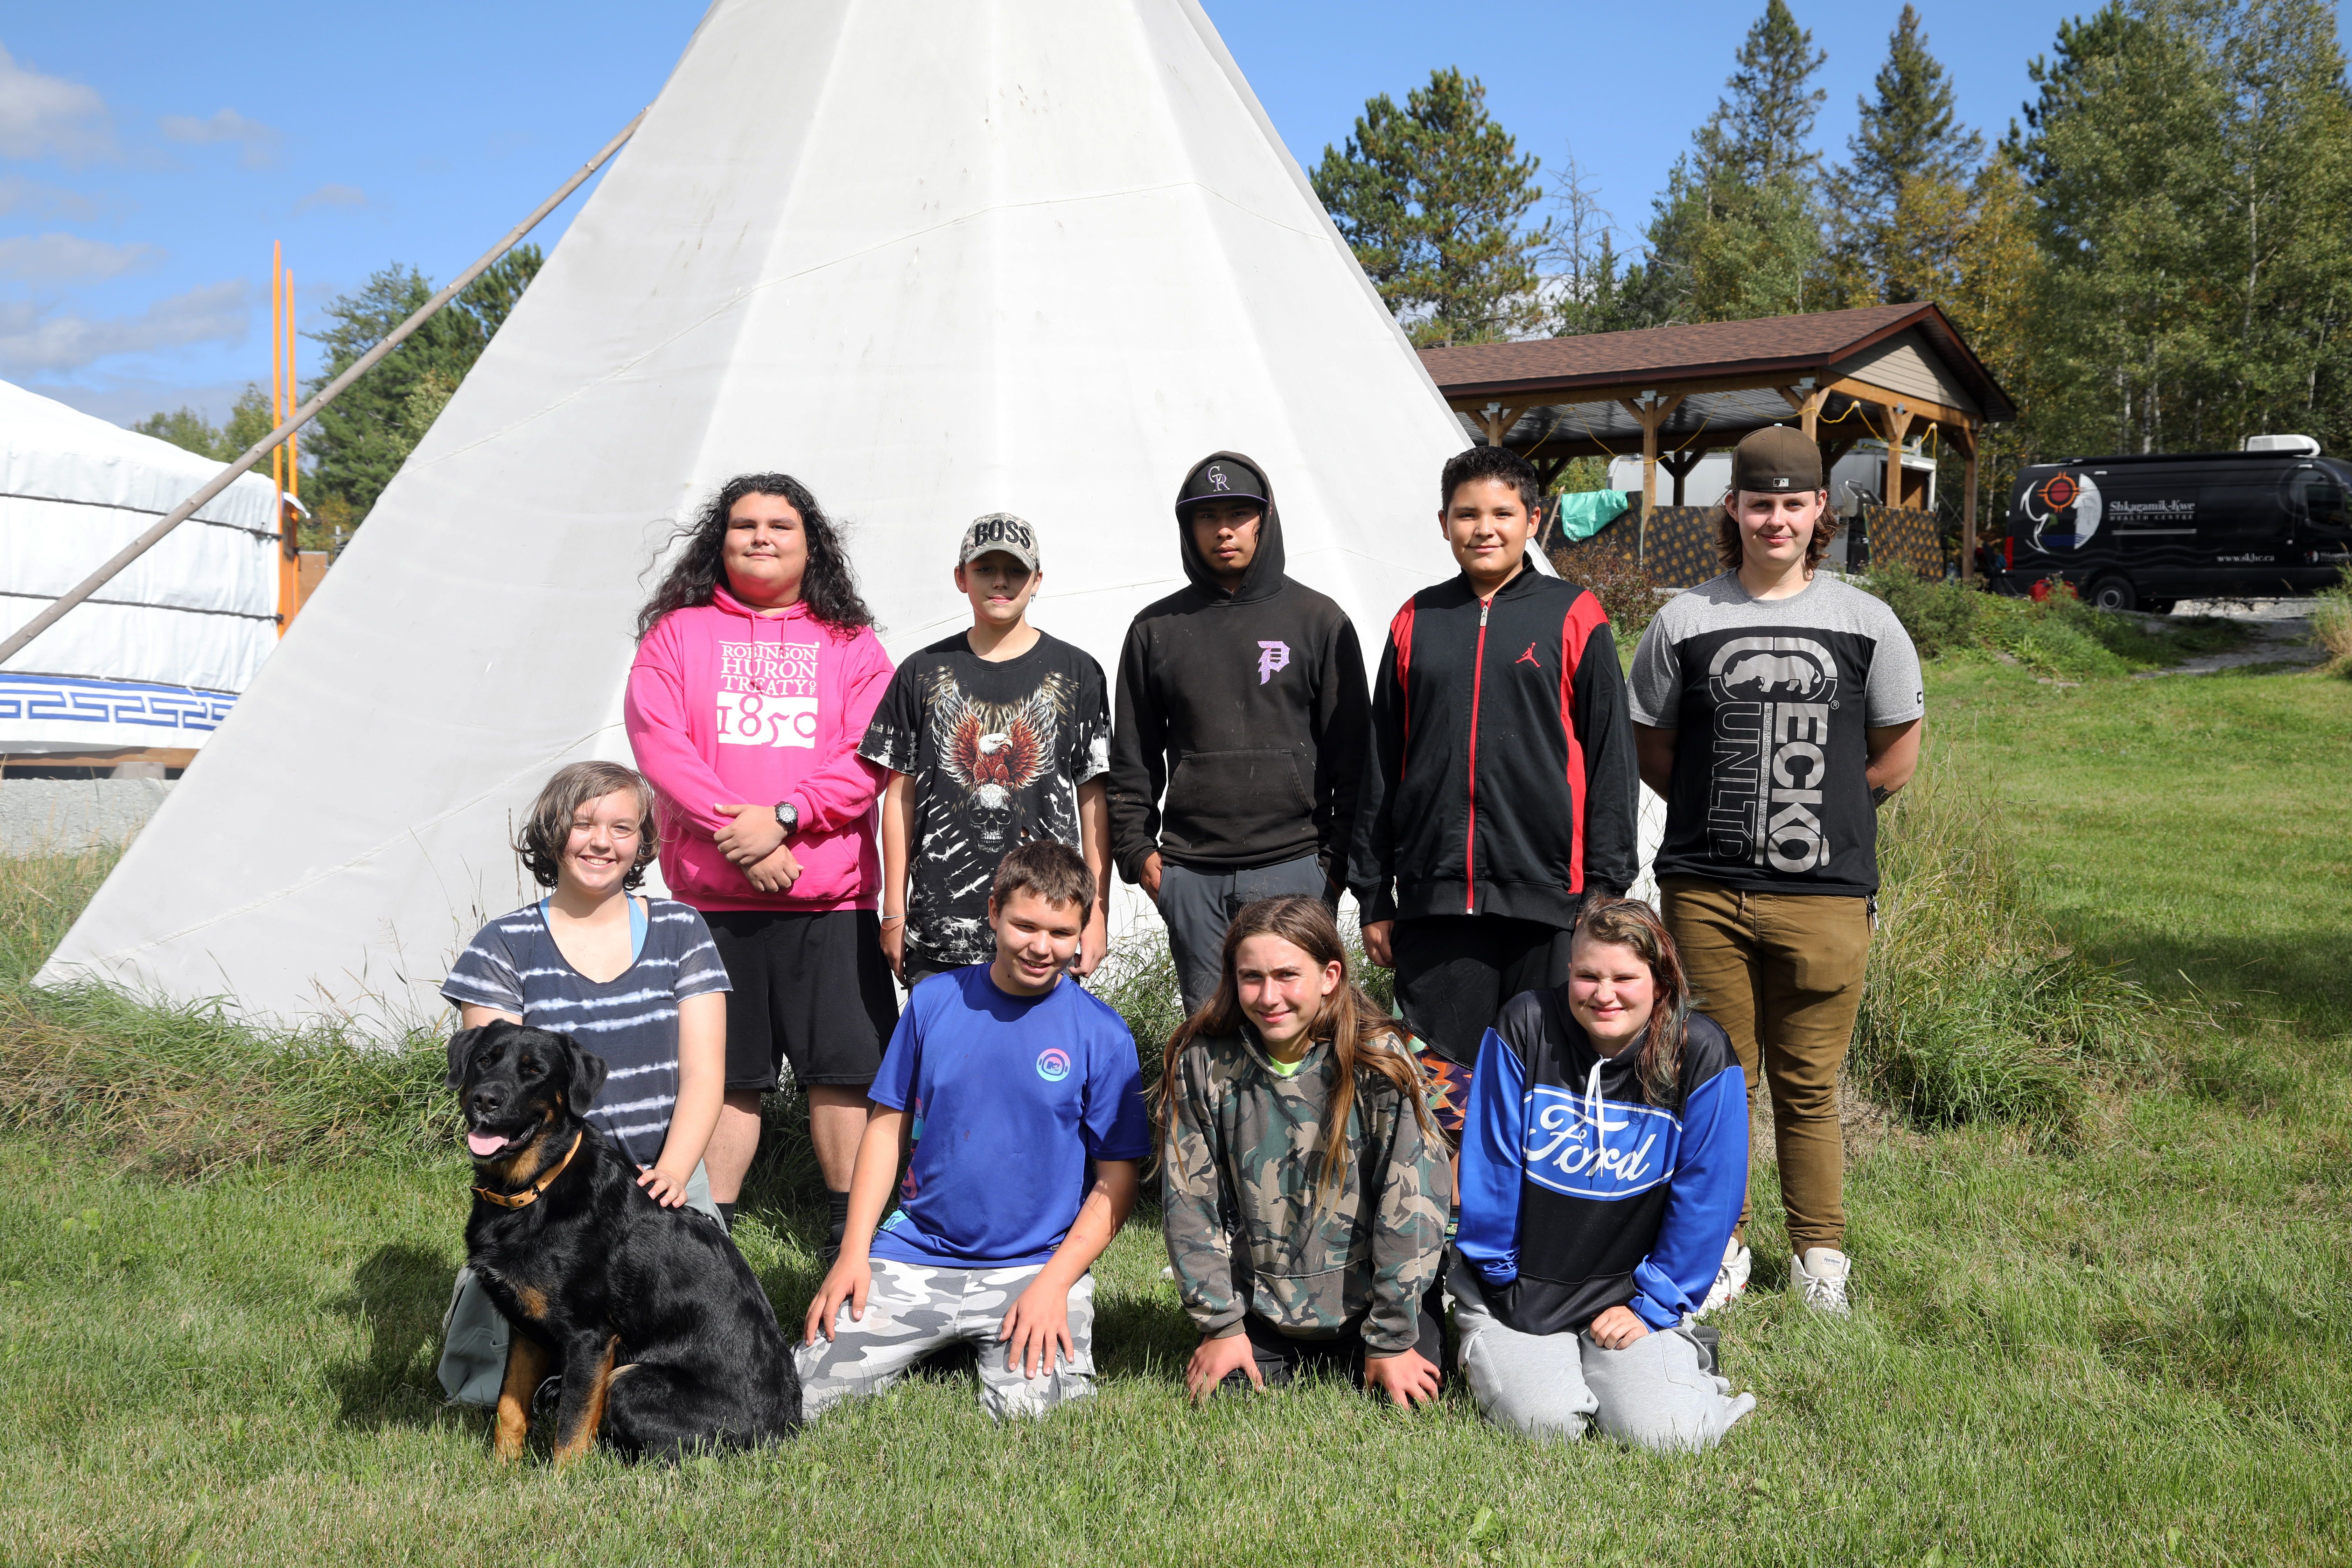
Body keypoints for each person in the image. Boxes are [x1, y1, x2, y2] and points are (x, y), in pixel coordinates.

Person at [1628, 425, 1924, 1315]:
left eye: (1794, 503)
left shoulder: (1867, 621)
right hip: (1705, 890)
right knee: (1718, 1085)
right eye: (1761, 503)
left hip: (1827, 893)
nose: (1777, 519)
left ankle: (1820, 1259)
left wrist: (1827, 815)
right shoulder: (1685, 619)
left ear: (1820, 510)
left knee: (1809, 1083)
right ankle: (1725, 1249)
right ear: (1734, 508)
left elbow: (1895, 757)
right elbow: (1656, 750)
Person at [625, 472, 900, 1251]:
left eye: (781, 525)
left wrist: (783, 819)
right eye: (744, 524)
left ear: (811, 543)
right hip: (714, 904)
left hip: (832, 903)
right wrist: (733, 834)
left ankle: (857, 1243)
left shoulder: (851, 644)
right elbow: (658, 741)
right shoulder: (677, 636)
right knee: (727, 1076)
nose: (760, 537)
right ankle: (708, 1242)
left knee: (845, 1071)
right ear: (721, 540)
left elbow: (873, 752)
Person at [1347, 444, 1639, 1142]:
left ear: (1533, 521)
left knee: (1546, 1071)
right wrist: (1375, 894)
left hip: (1551, 899)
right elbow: (1381, 760)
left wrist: (1604, 888)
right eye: (1467, 513)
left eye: (1503, 513)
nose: (1485, 527)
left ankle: (1540, 1229)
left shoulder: (1575, 614)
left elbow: (1611, 758)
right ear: (1443, 523)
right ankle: (1444, 1232)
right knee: (1440, 1082)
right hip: (1436, 896)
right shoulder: (1416, 620)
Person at [797, 840, 1148, 1421]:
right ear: (993, 913)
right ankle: (936, 1332)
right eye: (1025, 926)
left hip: (1034, 1264)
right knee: (803, 1395)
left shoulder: (1103, 1035)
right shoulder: (934, 1001)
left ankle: (983, 1336)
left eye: (1062, 933)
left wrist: (1055, 1284)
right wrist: (853, 1253)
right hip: (917, 1252)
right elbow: (886, 1130)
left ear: (1083, 931)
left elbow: (1118, 1179)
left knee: (1040, 1420)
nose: (1041, 947)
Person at [435, 761, 731, 1405]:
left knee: (697, 1345)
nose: (602, 842)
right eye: (584, 823)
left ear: (643, 843)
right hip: (543, 1195)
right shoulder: (503, 944)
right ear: (551, 833)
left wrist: (677, 1171)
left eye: (622, 828)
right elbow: (493, 1088)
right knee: (481, 1391)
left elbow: (707, 1073)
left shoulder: (682, 931)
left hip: (659, 1185)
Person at [1451, 898, 1754, 1451]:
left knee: (1671, 1437)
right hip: (1518, 1287)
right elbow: (1490, 1166)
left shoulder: (1702, 1052)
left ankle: (1675, 1357)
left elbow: (1709, 1196)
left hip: (1628, 1290)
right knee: (1545, 1426)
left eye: (1624, 977)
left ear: (1660, 982)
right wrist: (1500, 1277)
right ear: (1569, 970)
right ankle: (1505, 1346)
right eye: (1588, 974)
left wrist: (1654, 1305)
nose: (1604, 993)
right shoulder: (1525, 1024)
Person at [1107, 452, 1371, 1014]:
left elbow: (1355, 762)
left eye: (1238, 514)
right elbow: (1132, 759)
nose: (1224, 529)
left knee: (1302, 1037)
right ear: (1188, 526)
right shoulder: (1155, 631)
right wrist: (1141, 857)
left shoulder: (1319, 621)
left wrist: (1334, 866)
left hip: (1298, 868)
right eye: (1207, 517)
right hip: (1191, 875)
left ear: (1265, 519)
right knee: (1213, 1045)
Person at [1159, 896, 1449, 1407]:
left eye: (1287, 975)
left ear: (1329, 976)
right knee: (1228, 1399)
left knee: (1409, 1400)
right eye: (1252, 977)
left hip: (1375, 1307)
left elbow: (1415, 1207)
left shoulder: (1380, 1062)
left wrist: (1392, 1335)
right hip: (1262, 1309)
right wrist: (1221, 1325)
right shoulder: (1203, 1063)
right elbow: (1190, 1205)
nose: (1269, 996)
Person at [859, 512, 1113, 987]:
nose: (1000, 581)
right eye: (984, 569)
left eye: (1016, 570)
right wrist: (894, 911)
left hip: (1048, 928)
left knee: (1041, 1058)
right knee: (944, 1061)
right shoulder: (922, 672)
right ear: (961, 577)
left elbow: (1094, 797)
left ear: (1037, 580)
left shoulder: (1078, 673)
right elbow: (900, 795)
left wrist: (1096, 912)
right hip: (941, 931)